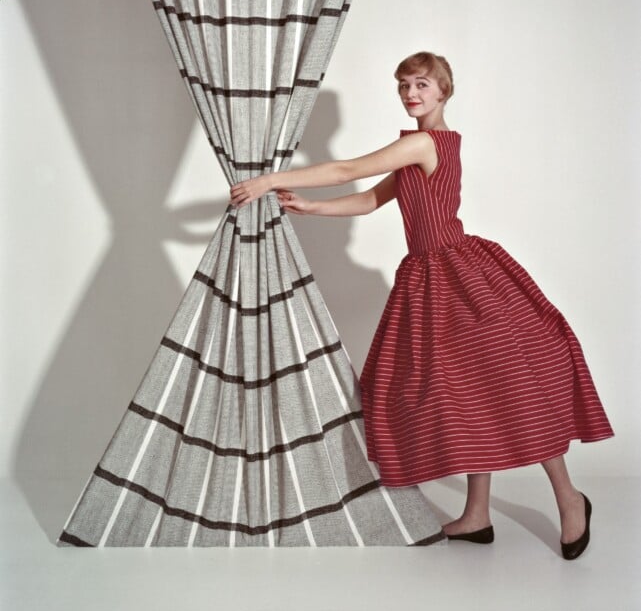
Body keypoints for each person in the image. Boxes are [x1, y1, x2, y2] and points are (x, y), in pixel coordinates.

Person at [229, 51, 614, 559]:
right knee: (469, 390)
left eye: (422, 85)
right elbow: (370, 198)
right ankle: (477, 514)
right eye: (405, 86)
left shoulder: (424, 143)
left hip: (459, 274)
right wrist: (313, 207)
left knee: (505, 383)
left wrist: (272, 180)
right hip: (428, 279)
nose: (412, 94)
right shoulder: (418, 149)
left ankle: (570, 500)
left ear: (443, 92)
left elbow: (349, 167)